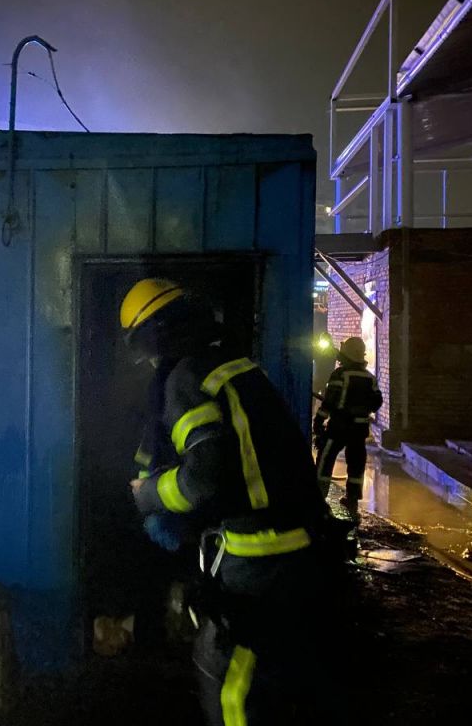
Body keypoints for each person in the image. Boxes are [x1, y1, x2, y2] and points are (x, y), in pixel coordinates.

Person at [120, 277, 339, 725]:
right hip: (303, 549)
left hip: (259, 556)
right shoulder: (235, 366)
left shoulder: (185, 378)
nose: (149, 362)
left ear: (154, 337)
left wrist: (150, 496)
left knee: (230, 683)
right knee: (281, 678)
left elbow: (204, 479)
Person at [313, 337, 383, 509]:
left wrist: (319, 421)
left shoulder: (340, 374)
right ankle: (352, 499)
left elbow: (329, 401)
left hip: (339, 426)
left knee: (326, 457)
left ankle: (318, 496)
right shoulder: (370, 378)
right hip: (360, 429)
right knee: (356, 462)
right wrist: (362, 410)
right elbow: (377, 402)